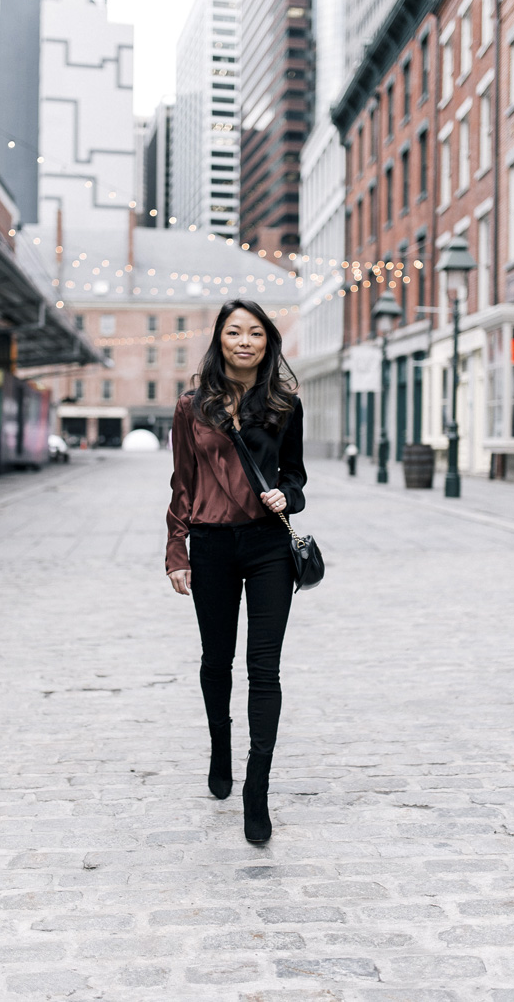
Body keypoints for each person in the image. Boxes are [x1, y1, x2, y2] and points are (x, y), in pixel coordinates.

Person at [166, 299, 307, 844]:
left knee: (264, 668)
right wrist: (177, 551)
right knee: (216, 661)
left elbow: (296, 477)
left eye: (255, 333)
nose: (245, 341)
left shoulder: (285, 403)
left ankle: (257, 788)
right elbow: (181, 481)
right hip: (212, 545)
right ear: (220, 339)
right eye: (234, 332)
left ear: (268, 342)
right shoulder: (190, 406)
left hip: (269, 546)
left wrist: (286, 496)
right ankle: (219, 744)